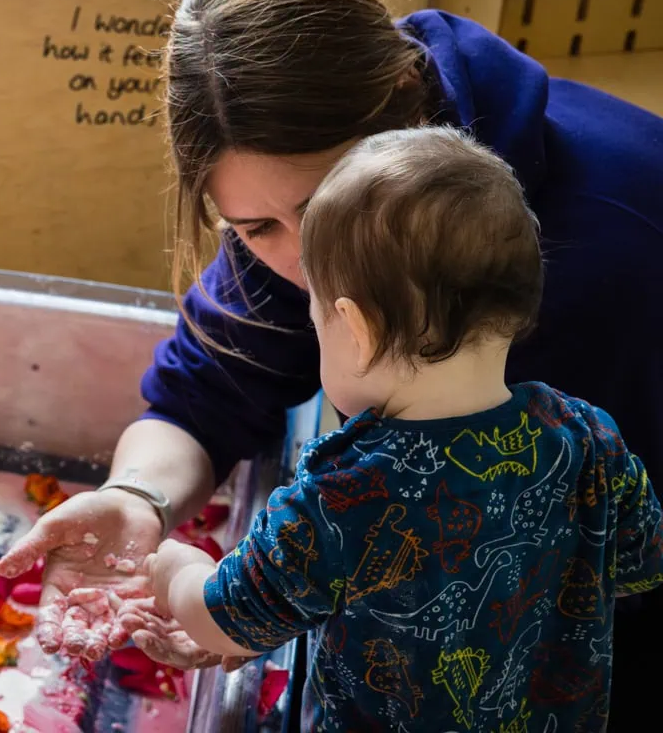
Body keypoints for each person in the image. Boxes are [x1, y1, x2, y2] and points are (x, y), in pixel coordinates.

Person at [0, 0, 663, 726]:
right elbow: (208, 390)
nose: (307, 270)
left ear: (407, 112)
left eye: (314, 214)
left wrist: (210, 589)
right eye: (254, 228)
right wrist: (137, 500)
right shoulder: (337, 213)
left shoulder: (608, 258)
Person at [127, 124, 663, 731]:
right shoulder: (590, 435)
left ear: (356, 328)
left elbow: (226, 618)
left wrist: (175, 570)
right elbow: (634, 569)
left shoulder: (343, 493)